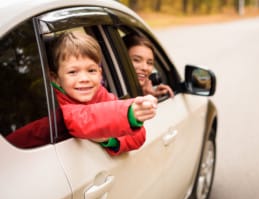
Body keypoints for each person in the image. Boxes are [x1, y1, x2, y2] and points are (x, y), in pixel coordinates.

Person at [7, 31, 158, 156]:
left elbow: (139, 135)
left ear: (100, 73)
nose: (84, 79)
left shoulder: (101, 94)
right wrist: (128, 112)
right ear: (55, 78)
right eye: (73, 72)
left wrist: (109, 140)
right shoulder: (56, 102)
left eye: (91, 70)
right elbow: (80, 119)